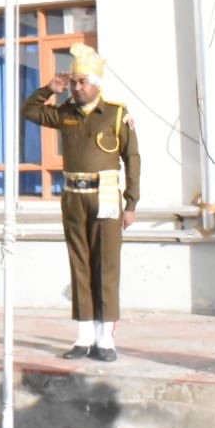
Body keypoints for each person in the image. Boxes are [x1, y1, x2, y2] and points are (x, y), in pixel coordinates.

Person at [21, 43, 140, 362]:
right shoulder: (65, 113)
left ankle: (106, 338)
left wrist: (131, 204)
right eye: (73, 81)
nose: (76, 86)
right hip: (74, 196)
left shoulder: (116, 115)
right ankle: (84, 335)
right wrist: (49, 88)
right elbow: (29, 111)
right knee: (80, 264)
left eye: (82, 81)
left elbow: (132, 158)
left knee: (107, 266)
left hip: (106, 196)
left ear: (96, 84)